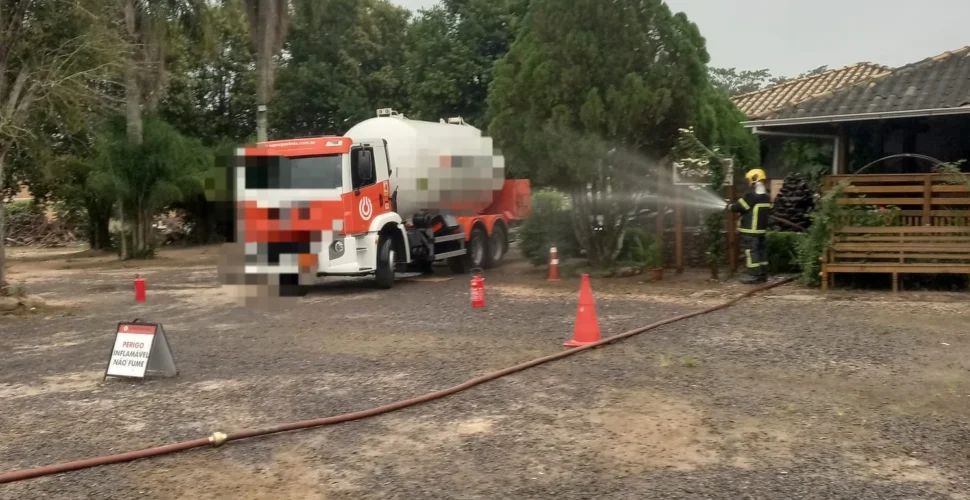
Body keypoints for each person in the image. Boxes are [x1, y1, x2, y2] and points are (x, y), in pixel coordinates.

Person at [728, 168, 772, 284]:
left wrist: (729, 207)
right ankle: (763, 275)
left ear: (754, 179)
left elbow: (740, 206)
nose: (748, 182)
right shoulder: (766, 195)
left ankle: (754, 276)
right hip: (761, 231)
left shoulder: (751, 194)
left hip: (750, 231)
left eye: (749, 179)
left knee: (751, 253)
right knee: (761, 252)